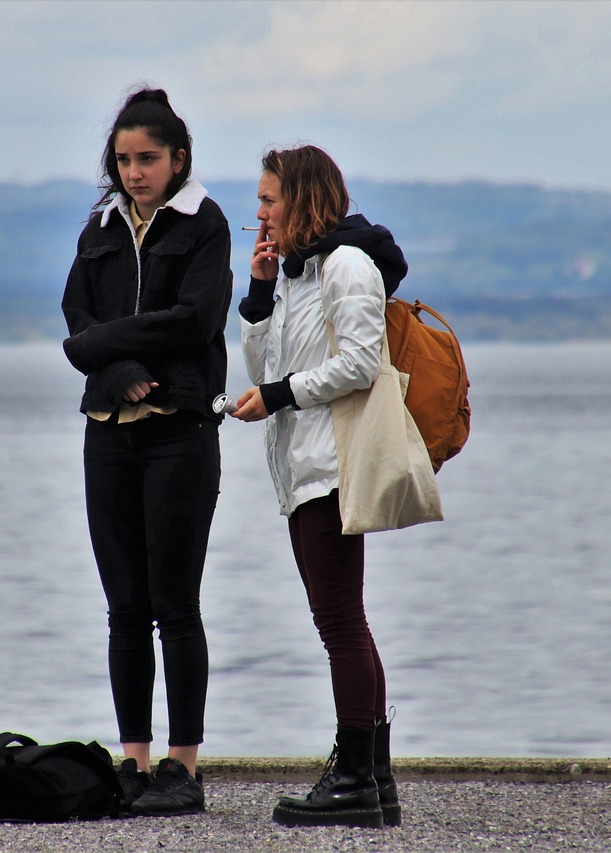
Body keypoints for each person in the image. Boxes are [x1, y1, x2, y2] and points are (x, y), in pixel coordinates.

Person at [60, 87, 233, 817]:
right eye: (126, 160)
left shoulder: (204, 222)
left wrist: (105, 347)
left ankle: (182, 766)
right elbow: (77, 319)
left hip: (180, 431)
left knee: (175, 603)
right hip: (109, 428)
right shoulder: (99, 225)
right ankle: (132, 760)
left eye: (149, 159)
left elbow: (196, 318)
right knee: (124, 606)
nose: (135, 172)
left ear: (178, 159)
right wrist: (120, 369)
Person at [229, 145, 409, 829]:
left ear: (302, 198)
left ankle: (356, 776)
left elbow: (362, 363)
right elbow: (264, 362)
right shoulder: (299, 274)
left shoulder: (348, 266)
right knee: (345, 618)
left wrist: (276, 395)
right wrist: (257, 292)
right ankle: (375, 776)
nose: (259, 212)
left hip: (332, 465)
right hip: (301, 464)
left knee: (338, 621)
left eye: (268, 199)